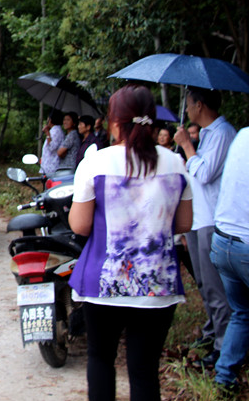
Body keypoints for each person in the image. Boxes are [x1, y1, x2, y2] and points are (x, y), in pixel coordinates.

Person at [69, 84, 193, 401]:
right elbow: (183, 223)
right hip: (157, 286)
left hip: (105, 285)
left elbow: (80, 226)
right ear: (152, 120)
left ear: (113, 122)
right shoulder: (176, 163)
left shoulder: (96, 162)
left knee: (100, 359)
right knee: (144, 369)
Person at [174, 88, 236, 367]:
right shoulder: (209, 134)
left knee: (215, 287)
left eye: (188, 105)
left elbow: (206, 172)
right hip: (198, 218)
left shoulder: (222, 133)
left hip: (212, 219)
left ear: (199, 105)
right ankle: (212, 332)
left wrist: (188, 146)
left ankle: (224, 348)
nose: (186, 110)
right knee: (203, 282)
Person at [209, 127, 249, 393]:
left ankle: (224, 378)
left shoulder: (242, 134)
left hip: (222, 240)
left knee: (242, 311)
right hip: (245, 244)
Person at [40, 110, 64, 176]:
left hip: (51, 167)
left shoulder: (56, 131)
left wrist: (47, 133)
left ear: (50, 119)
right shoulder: (53, 130)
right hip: (48, 166)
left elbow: (52, 147)